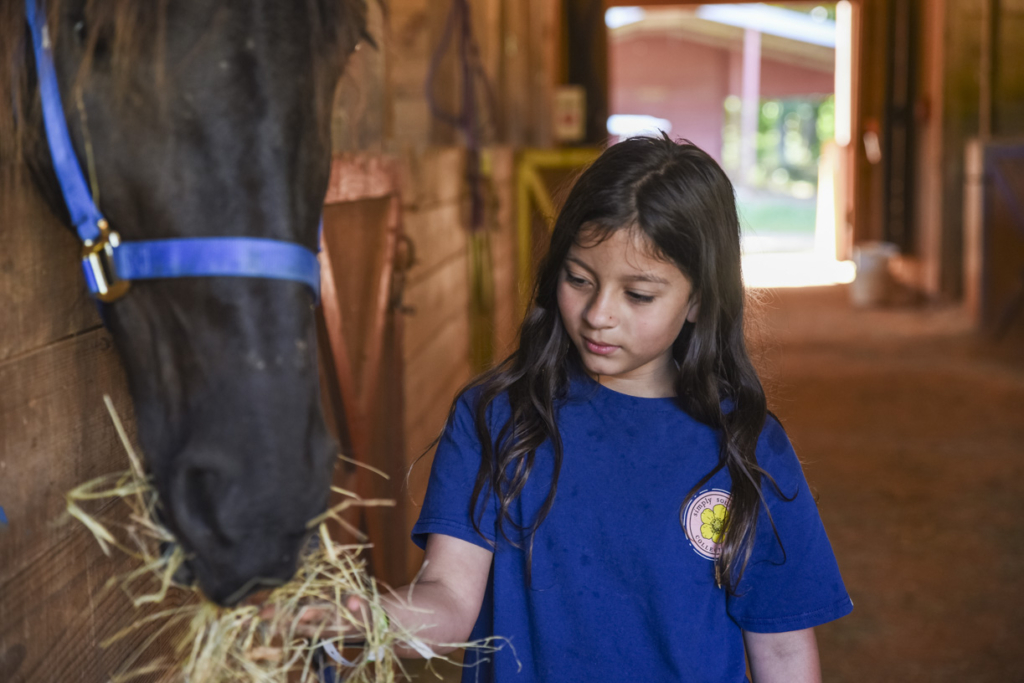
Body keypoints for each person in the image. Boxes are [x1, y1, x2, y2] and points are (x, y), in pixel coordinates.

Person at [299, 135, 852, 682]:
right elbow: (448, 598)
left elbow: (781, 652)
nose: (598, 314)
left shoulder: (746, 449)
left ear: (699, 300)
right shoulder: (496, 419)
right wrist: (360, 619)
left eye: (638, 295)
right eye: (578, 279)